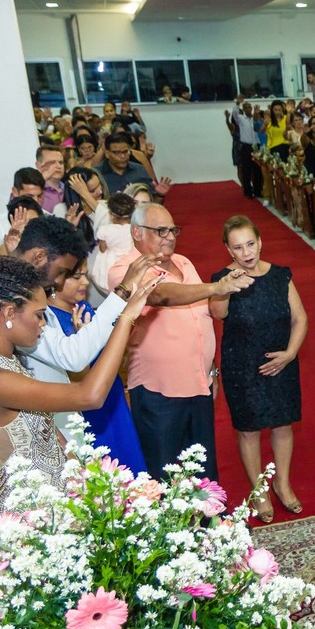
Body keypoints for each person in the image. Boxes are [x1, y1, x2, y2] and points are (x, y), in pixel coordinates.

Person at [0, 256, 158, 515]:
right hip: (31, 510)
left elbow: (47, 432)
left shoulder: (8, 363)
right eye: (39, 315)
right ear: (9, 314)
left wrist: (90, 481)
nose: (43, 323)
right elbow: (89, 396)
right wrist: (125, 319)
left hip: (56, 498)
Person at [107, 203, 252, 480]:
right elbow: (160, 295)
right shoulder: (124, 271)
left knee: (202, 472)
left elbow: (202, 320)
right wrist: (215, 287)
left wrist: (212, 369)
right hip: (158, 392)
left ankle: (208, 523)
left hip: (199, 384)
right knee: (165, 474)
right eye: (161, 231)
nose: (170, 236)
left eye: (173, 230)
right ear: (137, 232)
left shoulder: (183, 262)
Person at [210, 216, 307, 522]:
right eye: (238, 247)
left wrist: (290, 354)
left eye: (250, 243)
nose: (247, 252)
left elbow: (300, 319)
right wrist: (225, 287)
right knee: (249, 431)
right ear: (229, 250)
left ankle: (283, 483)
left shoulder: (280, 276)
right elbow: (217, 312)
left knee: (283, 425)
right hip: (243, 367)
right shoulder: (222, 279)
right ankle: (259, 490)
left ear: (260, 242)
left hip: (281, 363)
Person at [45, 260, 147, 474]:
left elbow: (117, 358)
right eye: (77, 277)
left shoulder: (84, 309)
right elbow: (76, 378)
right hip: (89, 408)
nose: (85, 282)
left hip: (113, 396)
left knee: (128, 465)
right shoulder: (51, 322)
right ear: (55, 281)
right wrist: (83, 337)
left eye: (86, 275)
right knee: (103, 474)